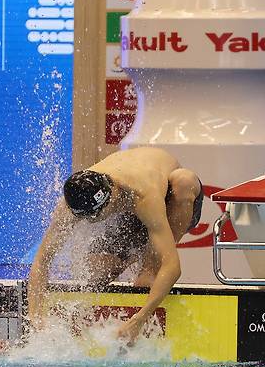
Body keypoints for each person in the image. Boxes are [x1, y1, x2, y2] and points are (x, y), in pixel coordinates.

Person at [27, 147, 203, 344]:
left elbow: (172, 268)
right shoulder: (70, 205)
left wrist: (139, 319)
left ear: (111, 197)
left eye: (95, 216)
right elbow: (41, 261)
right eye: (86, 217)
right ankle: (141, 251)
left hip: (168, 200)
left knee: (184, 180)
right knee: (96, 275)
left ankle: (148, 261)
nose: (91, 221)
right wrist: (35, 317)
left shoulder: (144, 196)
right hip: (130, 216)